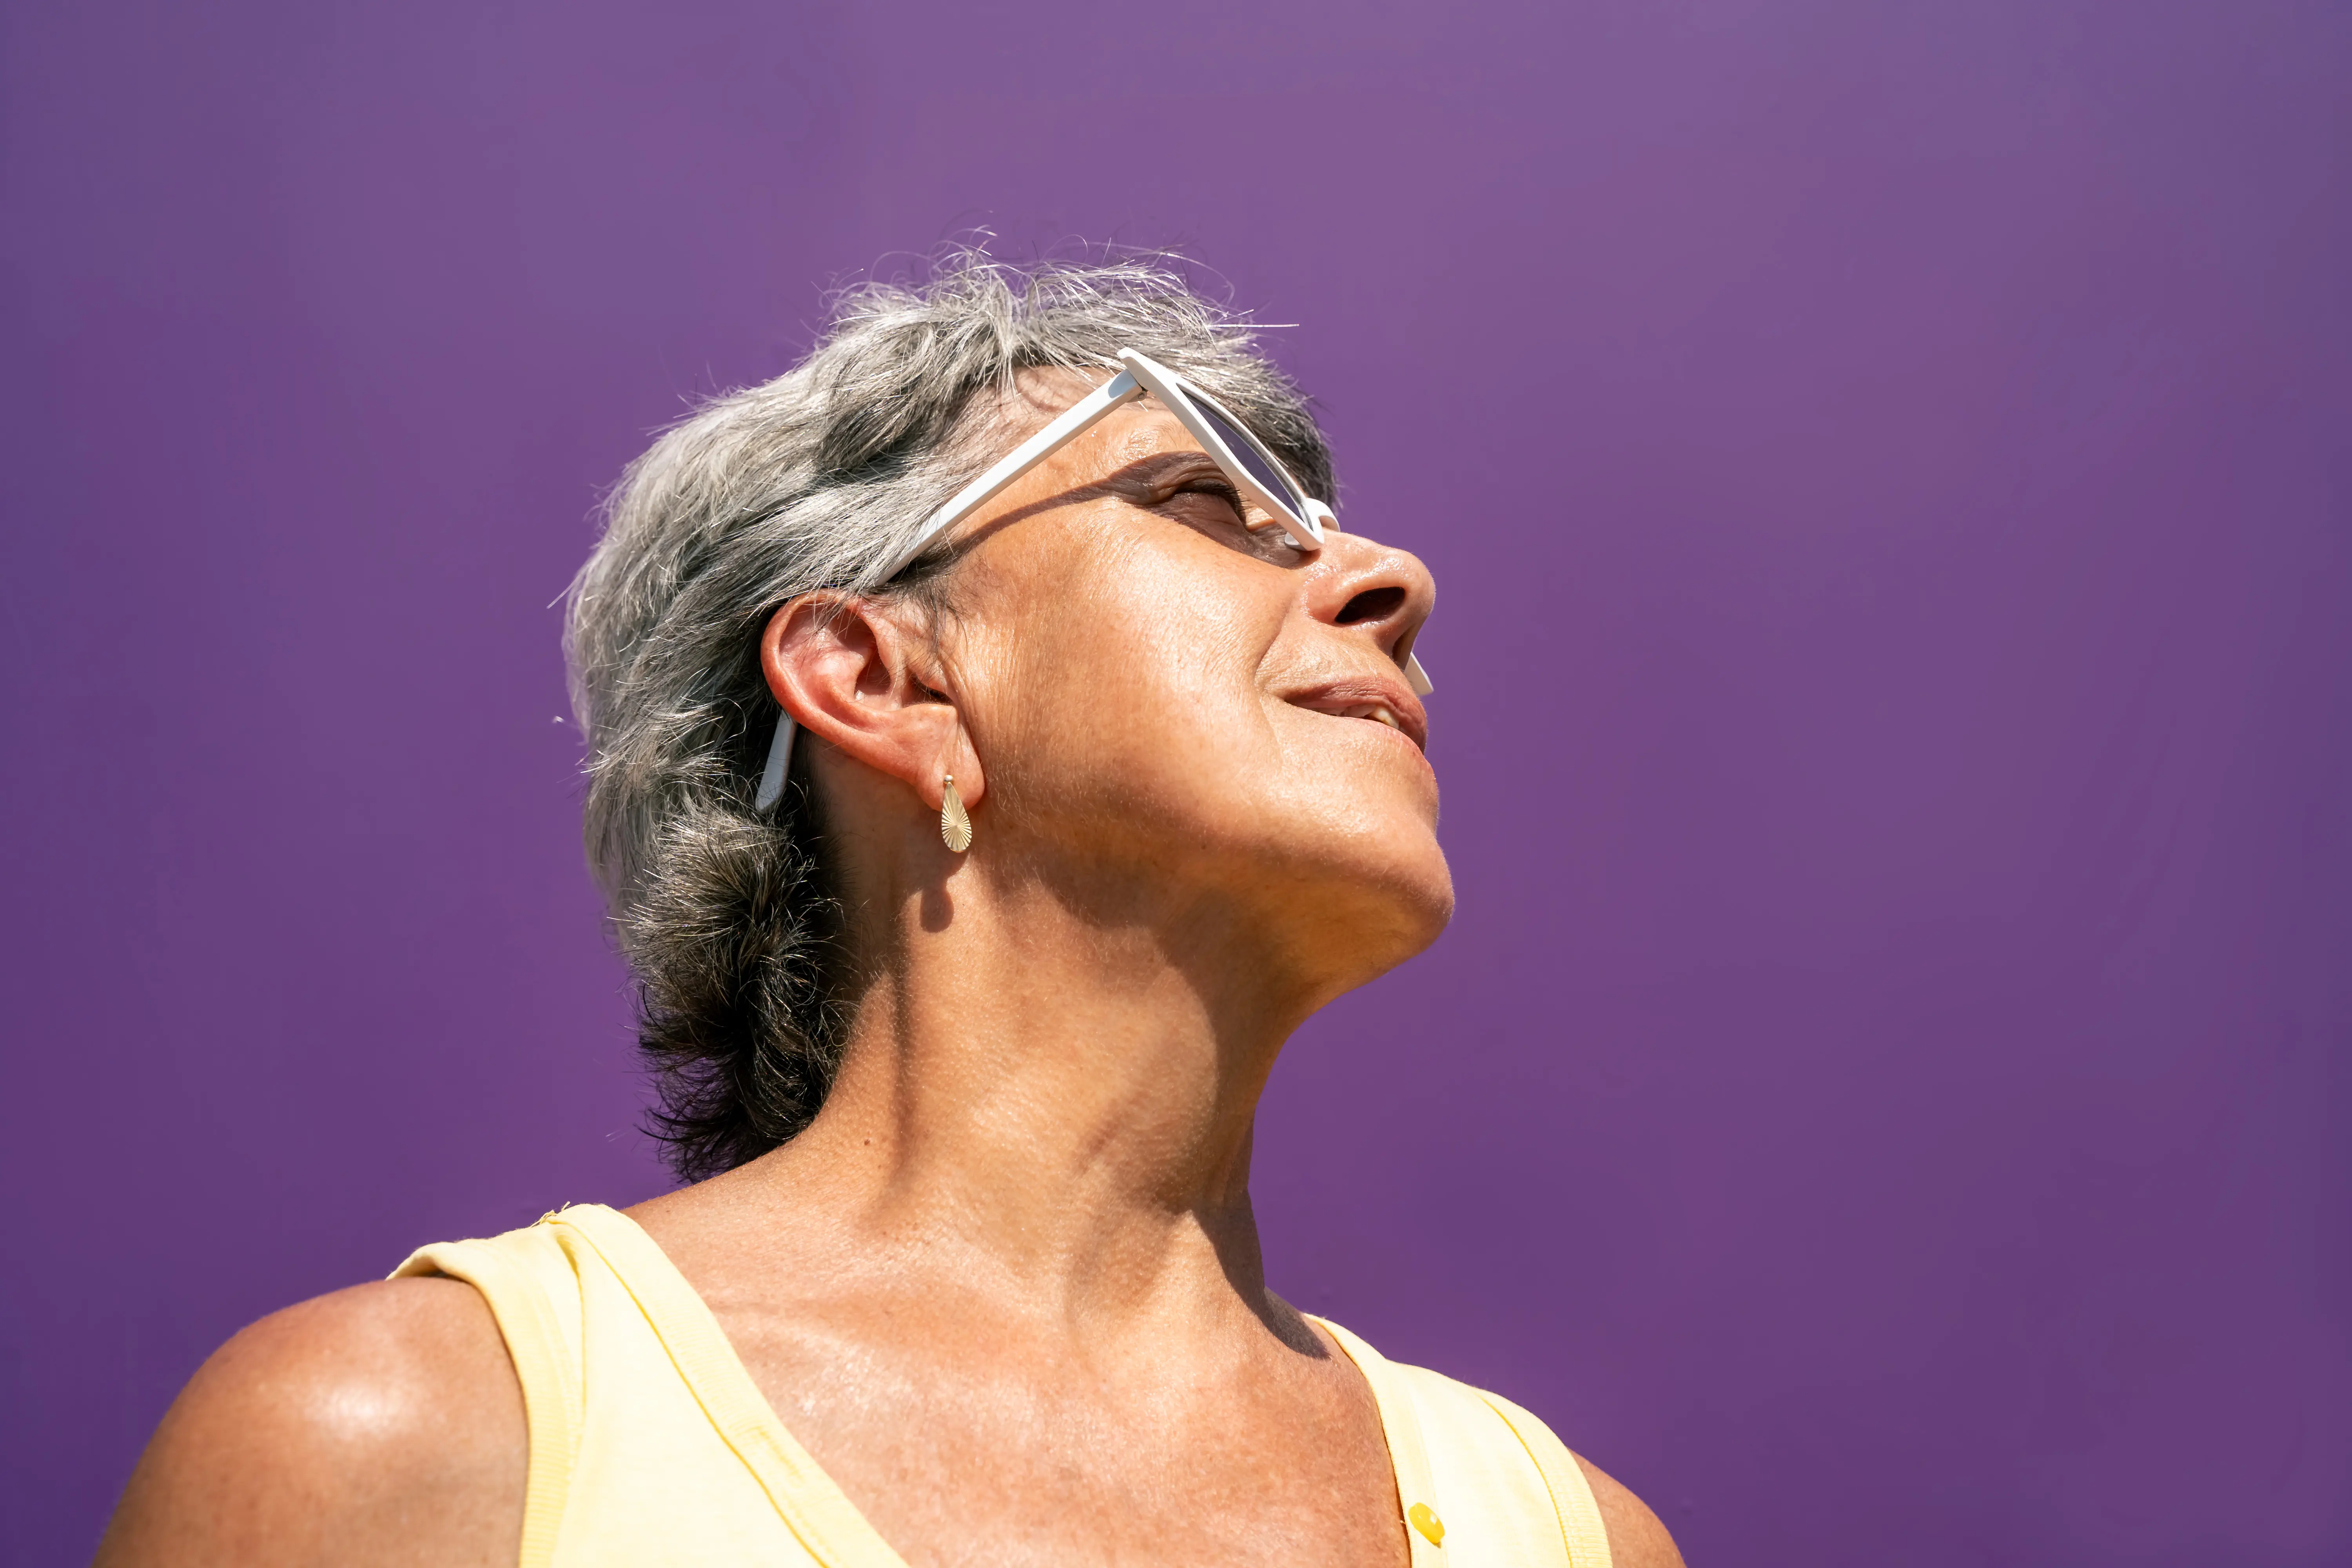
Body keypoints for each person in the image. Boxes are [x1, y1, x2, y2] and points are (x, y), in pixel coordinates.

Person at [95, 255, 1683, 1568]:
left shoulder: (1563, 1533)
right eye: (1208, 502)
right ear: (876, 676)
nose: (1387, 580)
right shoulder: (413, 1456)